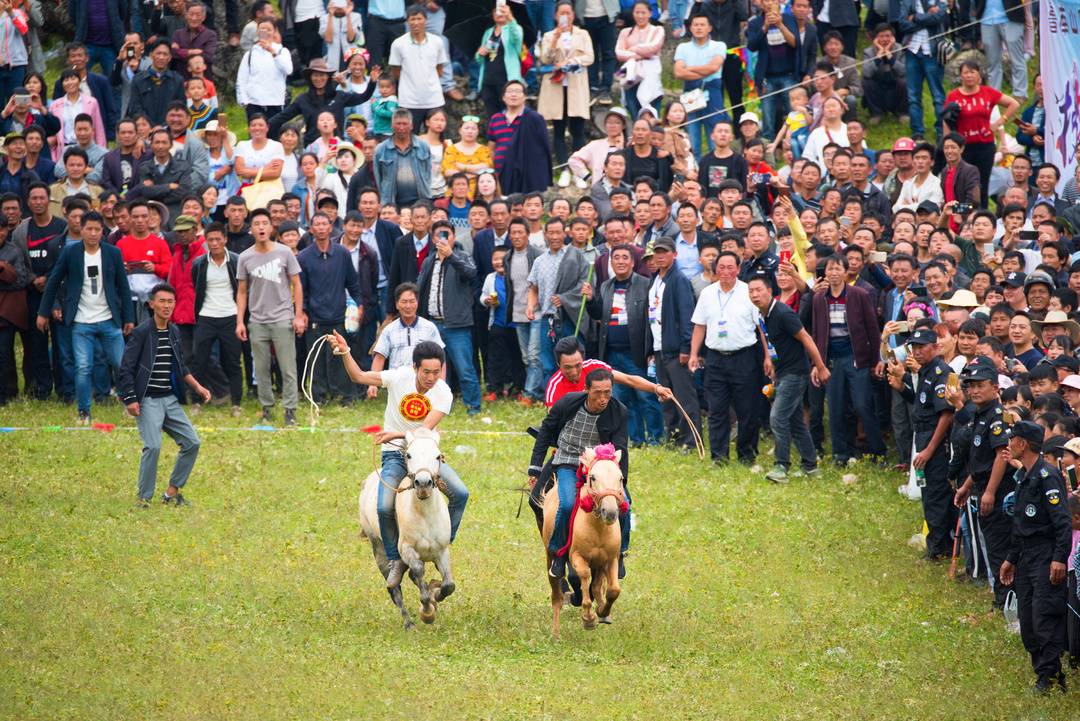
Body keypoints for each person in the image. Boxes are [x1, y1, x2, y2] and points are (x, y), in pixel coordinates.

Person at [325, 335, 469, 590]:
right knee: (382, 506)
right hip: (394, 455)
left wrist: (395, 433)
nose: (431, 377)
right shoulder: (399, 377)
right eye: (426, 372)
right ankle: (395, 560)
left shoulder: (443, 393)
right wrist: (346, 351)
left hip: (424, 456)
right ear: (415, 367)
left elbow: (424, 430)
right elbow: (359, 376)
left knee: (461, 492)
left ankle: (444, 541)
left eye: (437, 372)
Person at [35, 211, 133, 424]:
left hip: (109, 319)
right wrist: (43, 312)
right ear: (82, 228)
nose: (93, 233)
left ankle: (130, 404)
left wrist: (129, 317)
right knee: (83, 367)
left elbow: (123, 287)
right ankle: (83, 412)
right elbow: (52, 281)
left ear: (102, 232)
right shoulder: (71, 253)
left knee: (121, 364)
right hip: (81, 321)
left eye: (97, 229)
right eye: (89, 228)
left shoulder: (113, 253)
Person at [118, 282, 208, 508]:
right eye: (162, 301)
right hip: (147, 400)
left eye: (170, 302)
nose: (166, 306)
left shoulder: (174, 331)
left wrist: (198, 388)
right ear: (152, 304)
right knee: (153, 446)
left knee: (192, 442)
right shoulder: (141, 333)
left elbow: (181, 367)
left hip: (169, 399)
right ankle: (144, 499)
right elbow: (126, 368)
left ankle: (171, 494)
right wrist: (130, 399)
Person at [999, 419, 1073, 693]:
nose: (1008, 444)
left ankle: (1051, 677)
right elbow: (1021, 525)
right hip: (1027, 556)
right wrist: (1011, 559)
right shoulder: (1024, 478)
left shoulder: (1047, 476)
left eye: (1011, 439)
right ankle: (1040, 670)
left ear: (1021, 443)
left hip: (1045, 555)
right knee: (1028, 619)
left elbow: (1063, 523)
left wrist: (1058, 558)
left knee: (1045, 617)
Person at [746, 274, 828, 481]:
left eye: (758, 290)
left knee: (777, 417)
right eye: (751, 291)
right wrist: (770, 362)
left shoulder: (783, 312)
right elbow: (769, 339)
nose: (755, 295)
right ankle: (810, 466)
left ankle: (781, 465)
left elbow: (806, 338)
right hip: (782, 371)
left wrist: (820, 366)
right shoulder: (761, 313)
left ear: (769, 291)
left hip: (796, 373)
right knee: (795, 422)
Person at [688, 250, 766, 463]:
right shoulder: (708, 293)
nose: (725, 272)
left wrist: (768, 357)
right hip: (715, 359)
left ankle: (747, 454)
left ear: (738, 269)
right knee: (717, 410)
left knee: (747, 409)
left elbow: (761, 327)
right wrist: (694, 354)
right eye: (721, 267)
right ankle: (719, 457)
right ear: (715, 269)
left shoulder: (747, 292)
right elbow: (699, 326)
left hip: (745, 357)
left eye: (730, 267)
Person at [811, 253, 886, 464]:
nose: (833, 273)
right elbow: (817, 333)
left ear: (846, 272)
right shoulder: (819, 298)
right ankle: (840, 453)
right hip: (832, 360)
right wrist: (817, 364)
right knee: (836, 408)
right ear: (824, 273)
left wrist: (876, 359)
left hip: (856, 358)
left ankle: (877, 452)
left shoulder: (859, 294)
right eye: (830, 269)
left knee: (862, 405)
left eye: (838, 269)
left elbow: (872, 328)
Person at [888, 328, 956, 557]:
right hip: (924, 436)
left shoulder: (940, 372)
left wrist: (929, 449)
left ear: (935, 347)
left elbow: (946, 415)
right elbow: (921, 404)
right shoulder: (925, 372)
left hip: (935, 443)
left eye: (921, 347)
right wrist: (902, 388)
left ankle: (938, 549)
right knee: (928, 492)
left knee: (936, 493)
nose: (916, 352)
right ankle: (938, 545)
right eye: (913, 348)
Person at [235, 208, 306, 426]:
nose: (261, 227)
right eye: (256, 224)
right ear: (251, 229)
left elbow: (297, 284)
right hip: (257, 321)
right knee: (261, 368)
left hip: (283, 318)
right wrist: (240, 321)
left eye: (265, 223)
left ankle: (290, 410)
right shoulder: (245, 257)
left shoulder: (284, 252)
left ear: (271, 226)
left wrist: (298, 315)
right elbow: (242, 291)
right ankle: (267, 407)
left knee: (288, 368)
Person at [298, 211, 365, 402]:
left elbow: (352, 283)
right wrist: (302, 312)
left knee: (341, 356)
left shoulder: (342, 253)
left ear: (331, 226)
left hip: (338, 315)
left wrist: (359, 304)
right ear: (311, 229)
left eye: (324, 224)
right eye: (316, 224)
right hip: (315, 318)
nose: (320, 228)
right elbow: (302, 290)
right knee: (316, 359)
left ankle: (345, 395)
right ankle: (318, 396)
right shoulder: (303, 257)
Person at [417, 219, 481, 414]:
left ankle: (473, 406)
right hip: (432, 324)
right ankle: (437, 406)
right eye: (439, 235)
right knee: (433, 370)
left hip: (457, 325)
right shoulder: (429, 260)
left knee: (465, 369)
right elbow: (421, 288)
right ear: (433, 238)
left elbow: (471, 274)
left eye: (447, 235)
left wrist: (451, 256)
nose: (443, 239)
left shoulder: (461, 256)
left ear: (454, 237)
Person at [944, 60, 1020, 213]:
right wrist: (948, 145)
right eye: (966, 72)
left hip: (985, 145)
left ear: (979, 75)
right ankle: (961, 214)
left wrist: (999, 122)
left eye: (973, 72)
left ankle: (982, 215)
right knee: (961, 181)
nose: (969, 75)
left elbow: (1014, 104)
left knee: (982, 182)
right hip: (963, 146)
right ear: (961, 76)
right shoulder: (954, 96)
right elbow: (945, 120)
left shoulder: (987, 92)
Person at [191, 222, 243, 415]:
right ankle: (197, 401)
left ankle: (236, 403)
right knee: (199, 361)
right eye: (210, 239)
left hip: (230, 316)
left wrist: (240, 318)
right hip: (206, 316)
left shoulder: (236, 261)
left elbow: (242, 289)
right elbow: (196, 284)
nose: (214, 243)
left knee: (233, 362)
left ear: (225, 239)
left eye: (218, 239)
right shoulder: (200, 263)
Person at [537, 3, 594, 171]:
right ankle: (563, 169)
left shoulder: (582, 34)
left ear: (573, 15)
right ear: (556, 16)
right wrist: (555, 39)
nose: (565, 16)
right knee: (559, 129)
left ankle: (579, 170)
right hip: (556, 86)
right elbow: (546, 59)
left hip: (576, 84)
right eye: (562, 13)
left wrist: (569, 62)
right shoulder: (549, 35)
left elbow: (589, 57)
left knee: (578, 129)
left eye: (568, 13)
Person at [673, 13, 726, 157]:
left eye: (702, 25)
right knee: (693, 142)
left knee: (713, 141)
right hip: (690, 92)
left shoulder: (719, 46)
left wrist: (689, 68)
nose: (699, 28)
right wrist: (704, 71)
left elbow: (714, 67)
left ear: (709, 28)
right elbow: (678, 72)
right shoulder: (683, 47)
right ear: (690, 28)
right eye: (695, 25)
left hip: (712, 92)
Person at [389, 5, 448, 129]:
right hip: (409, 100)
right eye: (412, 19)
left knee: (435, 137)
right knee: (407, 137)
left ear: (425, 20)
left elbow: (440, 70)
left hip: (434, 99)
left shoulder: (437, 42)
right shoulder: (398, 44)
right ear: (407, 21)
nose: (416, 22)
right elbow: (396, 72)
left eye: (419, 19)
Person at [369, 281, 443, 378]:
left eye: (412, 301)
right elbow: (379, 358)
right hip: (397, 384)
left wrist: (441, 383)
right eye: (404, 302)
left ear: (417, 303)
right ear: (397, 304)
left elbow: (440, 358)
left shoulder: (429, 328)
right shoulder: (389, 330)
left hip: (423, 383)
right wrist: (372, 384)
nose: (408, 306)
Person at [235, 18, 292, 120]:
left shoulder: (282, 51)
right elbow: (242, 78)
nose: (266, 32)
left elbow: (288, 70)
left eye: (269, 29)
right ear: (257, 31)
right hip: (254, 103)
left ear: (274, 31)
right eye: (262, 29)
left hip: (275, 102)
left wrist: (272, 52)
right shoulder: (250, 54)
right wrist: (244, 101)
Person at [373, 109, 432, 207]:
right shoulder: (381, 149)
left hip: (420, 201)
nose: (401, 127)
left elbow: (428, 174)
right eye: (398, 124)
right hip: (392, 202)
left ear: (411, 126)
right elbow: (378, 179)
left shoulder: (423, 146)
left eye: (405, 124)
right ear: (392, 126)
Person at [128, 40, 186, 126]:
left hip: (170, 129)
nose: (161, 57)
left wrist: (163, 127)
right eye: (158, 53)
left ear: (170, 58)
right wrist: (150, 126)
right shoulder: (138, 80)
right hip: (144, 129)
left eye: (165, 54)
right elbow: (135, 108)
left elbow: (180, 108)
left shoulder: (177, 80)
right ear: (151, 55)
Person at [860, 23, 906, 125]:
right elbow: (866, 73)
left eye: (887, 36)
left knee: (905, 81)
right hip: (878, 88)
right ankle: (876, 113)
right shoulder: (868, 52)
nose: (885, 39)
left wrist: (890, 56)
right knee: (865, 81)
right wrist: (878, 56)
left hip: (895, 87)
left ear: (893, 38)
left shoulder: (899, 49)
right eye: (881, 36)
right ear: (875, 39)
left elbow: (903, 71)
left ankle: (902, 112)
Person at [171, 2, 217, 75]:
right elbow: (173, 53)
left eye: (198, 15)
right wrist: (191, 52)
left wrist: (181, 52)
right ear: (186, 16)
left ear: (203, 17)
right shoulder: (178, 33)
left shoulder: (210, 35)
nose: (194, 18)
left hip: (202, 78)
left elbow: (208, 57)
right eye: (191, 14)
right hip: (181, 77)